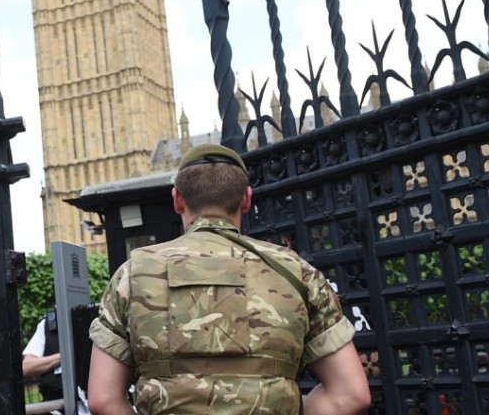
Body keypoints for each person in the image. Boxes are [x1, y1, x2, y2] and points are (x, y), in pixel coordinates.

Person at [87, 143, 371, 415]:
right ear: (246, 199)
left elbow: (103, 400)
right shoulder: (297, 272)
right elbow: (351, 395)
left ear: (177, 200)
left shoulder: (133, 274)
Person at [22, 309, 90, 415]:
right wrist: (63, 357)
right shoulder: (47, 324)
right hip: (54, 401)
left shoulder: (93, 319)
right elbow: (27, 366)